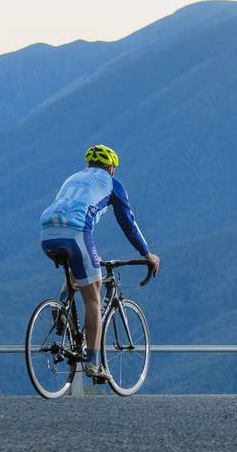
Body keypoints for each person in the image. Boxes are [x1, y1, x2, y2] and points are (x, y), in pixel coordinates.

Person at [39, 144, 160, 382]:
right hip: (76, 234)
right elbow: (129, 224)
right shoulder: (113, 184)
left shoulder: (73, 178)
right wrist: (147, 254)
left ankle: (61, 307)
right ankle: (93, 363)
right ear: (111, 167)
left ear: (88, 165)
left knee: (79, 272)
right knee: (93, 298)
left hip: (46, 232)